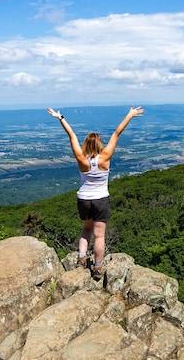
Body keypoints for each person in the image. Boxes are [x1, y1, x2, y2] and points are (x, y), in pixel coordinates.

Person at [47, 105, 144, 279]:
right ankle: (98, 268)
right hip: (101, 200)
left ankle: (82, 258)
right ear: (99, 144)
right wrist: (130, 115)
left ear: (86, 144)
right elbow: (116, 133)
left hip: (83, 199)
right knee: (99, 236)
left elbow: (72, 135)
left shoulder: (81, 158)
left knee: (86, 230)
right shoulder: (105, 156)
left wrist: (60, 118)